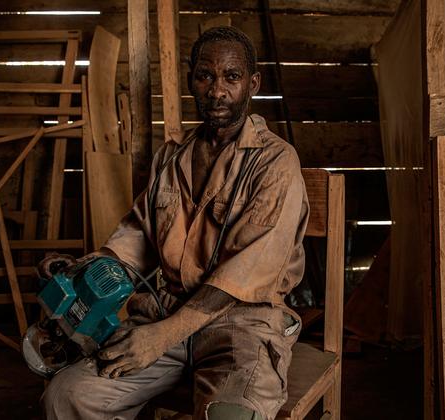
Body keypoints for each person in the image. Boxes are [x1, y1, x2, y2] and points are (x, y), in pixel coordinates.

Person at [40, 26, 309, 420]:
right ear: (191, 80)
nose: (217, 91)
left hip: (242, 324)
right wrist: (85, 267)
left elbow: (247, 275)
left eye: (231, 77)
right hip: (163, 314)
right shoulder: (171, 159)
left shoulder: (275, 162)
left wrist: (161, 336)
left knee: (229, 417)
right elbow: (136, 237)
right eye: (205, 76)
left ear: (252, 83)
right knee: (68, 396)